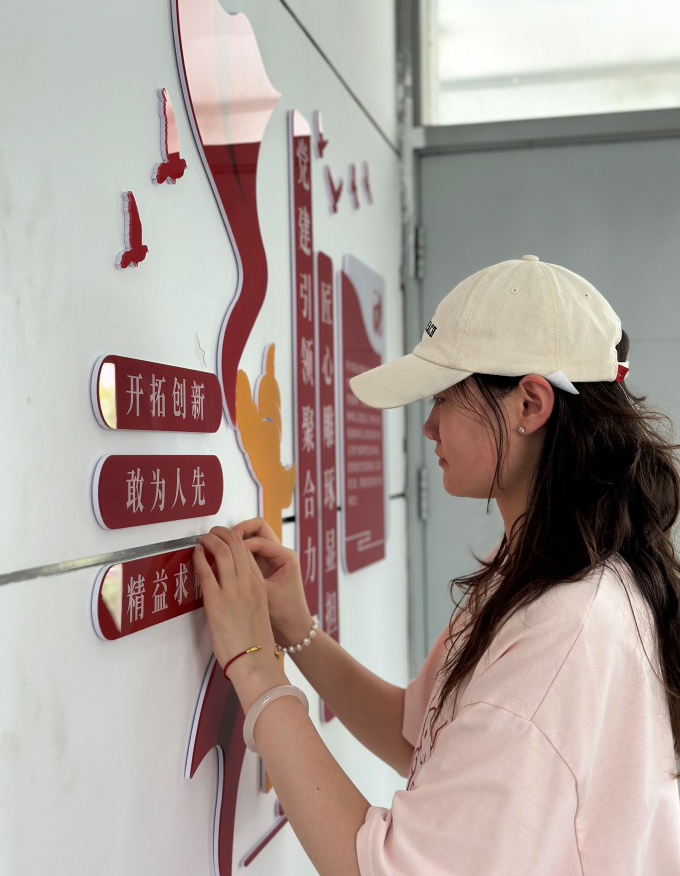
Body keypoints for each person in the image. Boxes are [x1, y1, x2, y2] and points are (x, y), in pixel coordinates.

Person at [193, 255, 680, 875]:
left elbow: (386, 867)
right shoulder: (545, 568)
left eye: (445, 397)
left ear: (530, 404)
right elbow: (415, 736)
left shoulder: (564, 630)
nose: (428, 426)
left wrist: (254, 666)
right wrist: (297, 633)